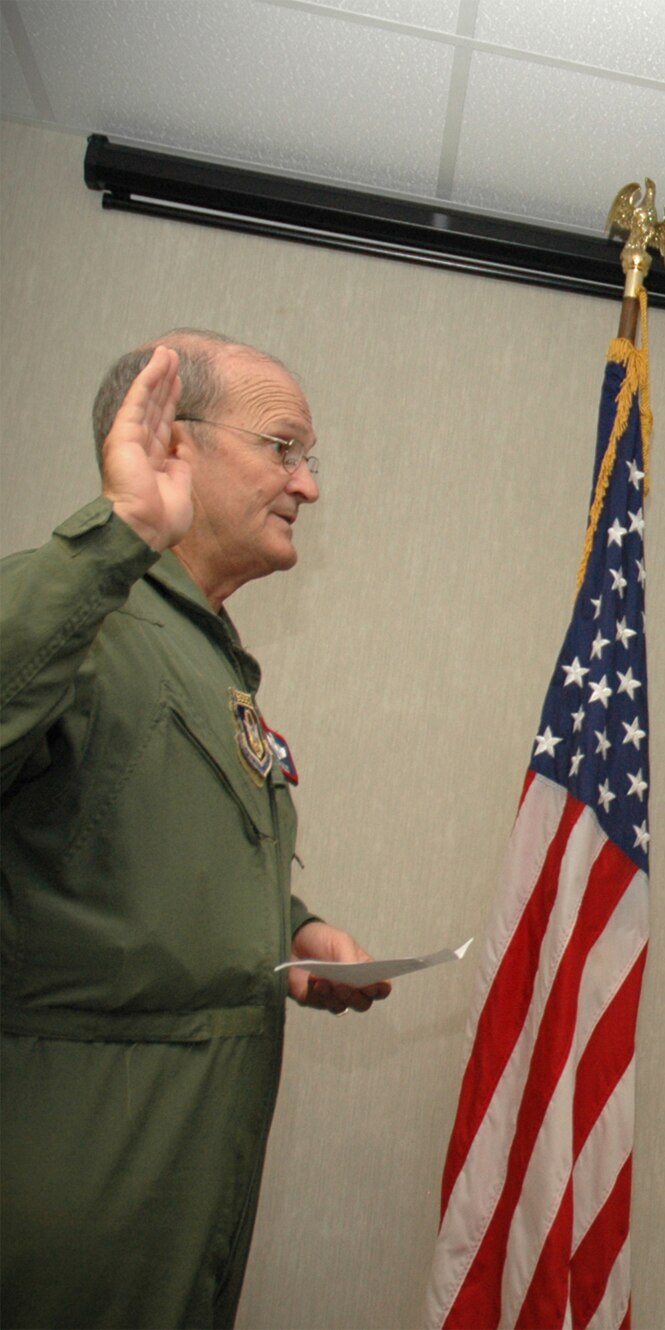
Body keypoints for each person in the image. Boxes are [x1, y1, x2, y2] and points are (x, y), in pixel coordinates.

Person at [0, 332, 391, 1328]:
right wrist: (119, 526)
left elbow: (127, 834)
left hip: (182, 1185)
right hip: (79, 1179)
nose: (308, 486)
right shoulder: (85, 617)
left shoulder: (199, 653)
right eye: (282, 448)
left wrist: (292, 929)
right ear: (174, 445)